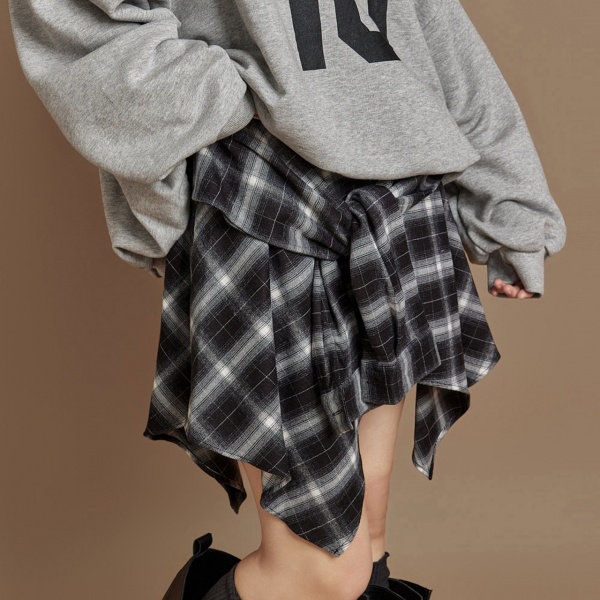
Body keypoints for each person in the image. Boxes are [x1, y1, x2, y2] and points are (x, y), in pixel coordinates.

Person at [8, 2, 566, 599]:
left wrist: (512, 205)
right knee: (323, 571)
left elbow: (436, 30)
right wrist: (221, 97)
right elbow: (71, 19)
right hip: (269, 199)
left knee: (368, 541)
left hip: (397, 199)